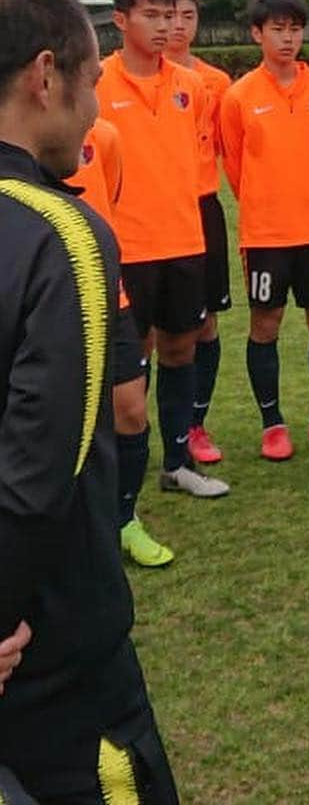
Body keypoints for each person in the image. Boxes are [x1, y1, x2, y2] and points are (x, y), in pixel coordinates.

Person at [0, 0, 178, 803]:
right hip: (49, 658)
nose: (98, 107)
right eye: (91, 81)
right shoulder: (57, 233)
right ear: (45, 76)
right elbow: (36, 478)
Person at [97, 0, 228, 501]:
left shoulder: (190, 86)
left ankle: (177, 463)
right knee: (131, 367)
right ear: (121, 19)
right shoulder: (97, 84)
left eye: (170, 15)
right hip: (125, 248)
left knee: (181, 350)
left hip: (184, 243)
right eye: (151, 15)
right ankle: (117, 473)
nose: (165, 26)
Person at [220, 0, 309, 460]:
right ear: (257, 34)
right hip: (266, 235)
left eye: (294, 28)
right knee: (265, 325)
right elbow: (234, 165)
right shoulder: (239, 97)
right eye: (277, 29)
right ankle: (272, 424)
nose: (288, 38)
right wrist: (266, 204)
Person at [66, 118, 173, 567]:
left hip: (108, 294)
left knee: (130, 409)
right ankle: (68, 528)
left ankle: (124, 518)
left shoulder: (105, 135)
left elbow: (109, 198)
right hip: (44, 294)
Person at [165, 0, 233, 464]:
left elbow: (232, 149)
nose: (177, 26)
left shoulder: (216, 83)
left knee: (205, 325)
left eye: (187, 16)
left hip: (202, 209)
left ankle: (196, 424)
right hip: (149, 215)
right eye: (168, 16)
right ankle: (142, 428)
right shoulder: (115, 82)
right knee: (145, 334)